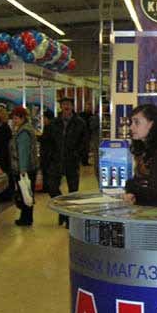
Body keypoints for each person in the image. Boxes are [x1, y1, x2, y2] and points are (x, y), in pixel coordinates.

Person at [46, 97, 87, 226]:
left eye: (68, 104)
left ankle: (70, 219)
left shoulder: (79, 123)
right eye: (63, 104)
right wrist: (49, 156)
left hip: (72, 161)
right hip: (56, 160)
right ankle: (63, 211)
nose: (66, 106)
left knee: (73, 192)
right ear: (61, 107)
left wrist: (78, 154)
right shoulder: (54, 123)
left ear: (72, 106)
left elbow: (84, 141)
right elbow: (48, 141)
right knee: (51, 187)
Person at [9, 106, 38, 227]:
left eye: (16, 118)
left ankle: (26, 218)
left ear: (22, 118)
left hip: (25, 169)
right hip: (30, 167)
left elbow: (23, 152)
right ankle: (26, 217)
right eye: (13, 118)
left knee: (25, 193)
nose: (14, 120)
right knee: (27, 193)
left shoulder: (23, 133)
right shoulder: (26, 129)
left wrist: (22, 170)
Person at [0, 106, 14, 202]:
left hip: (2, 155)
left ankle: (5, 195)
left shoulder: (1, 129)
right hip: (6, 155)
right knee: (8, 174)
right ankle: (8, 193)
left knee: (5, 175)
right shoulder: (7, 128)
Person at [38, 109, 54, 193]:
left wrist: (37, 136)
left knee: (46, 171)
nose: (43, 120)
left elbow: (45, 139)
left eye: (43, 118)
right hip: (49, 153)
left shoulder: (49, 127)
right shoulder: (51, 126)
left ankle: (46, 187)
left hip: (47, 153)